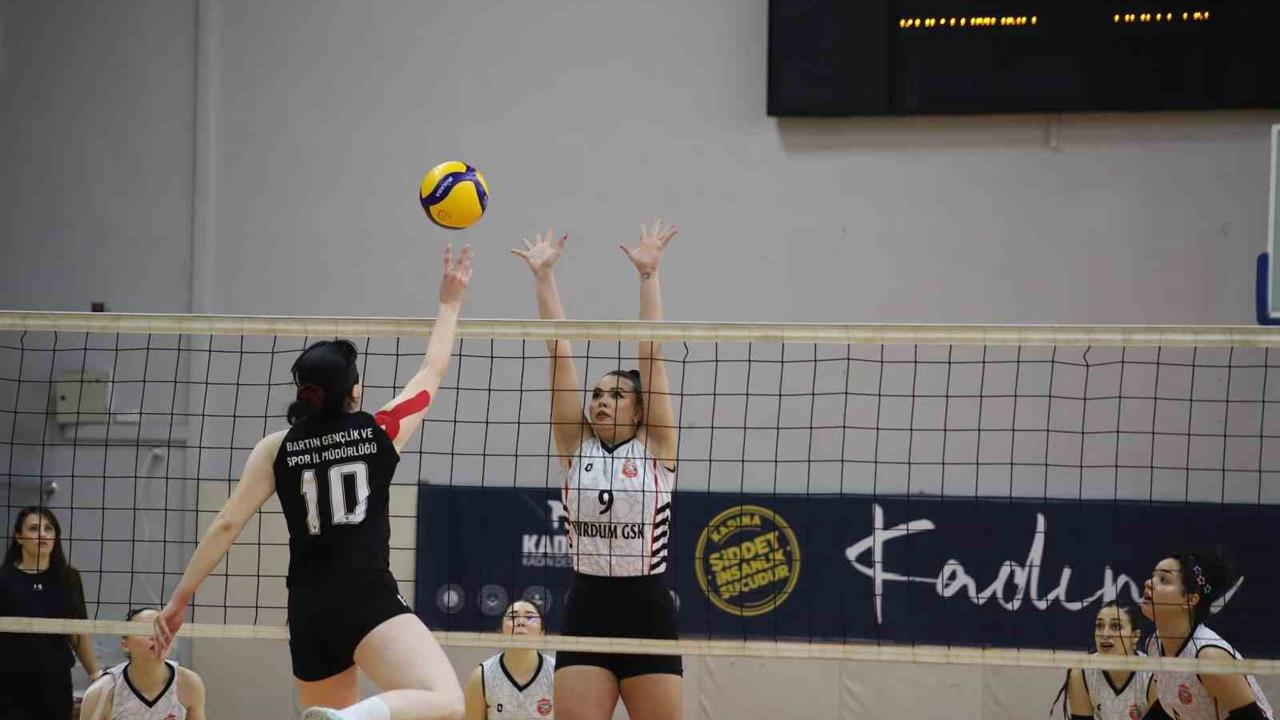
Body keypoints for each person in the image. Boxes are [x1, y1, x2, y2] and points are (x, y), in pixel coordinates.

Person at [152, 244, 474, 720]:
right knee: (446, 700)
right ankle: (351, 718)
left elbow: (226, 524)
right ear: (354, 391)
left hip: (308, 609)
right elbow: (433, 369)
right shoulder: (379, 431)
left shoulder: (275, 448)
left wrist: (179, 601)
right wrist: (450, 302)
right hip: (366, 596)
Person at [511, 221, 682, 720]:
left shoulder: (657, 448)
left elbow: (651, 353)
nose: (603, 401)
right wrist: (544, 278)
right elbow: (558, 352)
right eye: (598, 394)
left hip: (647, 613)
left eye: (617, 395)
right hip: (587, 609)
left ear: (639, 409)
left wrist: (648, 275)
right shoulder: (575, 446)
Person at [1140, 548, 1274, 720]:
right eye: (1153, 576)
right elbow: (1170, 702)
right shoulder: (1154, 644)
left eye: (1164, 579)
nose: (1148, 583)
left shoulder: (1209, 657)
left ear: (1190, 599)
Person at [0, 506, 101, 720]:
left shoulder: (69, 578)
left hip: (56, 681)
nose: (42, 534)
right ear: (19, 537)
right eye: (33, 528)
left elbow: (79, 633)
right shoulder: (4, 579)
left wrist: (96, 676)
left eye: (48, 528)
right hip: (9, 681)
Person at [79, 608, 206, 719]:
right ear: (125, 645)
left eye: (162, 630)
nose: (156, 637)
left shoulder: (189, 683)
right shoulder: (101, 692)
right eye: (145, 630)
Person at [1058, 601, 1153, 720]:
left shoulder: (1152, 675)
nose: (1105, 634)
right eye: (1100, 626)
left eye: (1115, 626)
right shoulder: (1081, 672)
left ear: (1135, 636)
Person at [463, 600, 554, 720]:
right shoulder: (481, 676)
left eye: (530, 617)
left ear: (542, 633)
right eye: (512, 617)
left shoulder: (556, 673)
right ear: (501, 631)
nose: (520, 622)